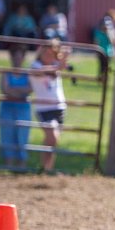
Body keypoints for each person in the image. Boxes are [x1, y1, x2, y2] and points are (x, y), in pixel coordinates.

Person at [29, 39, 70, 173]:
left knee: (52, 141)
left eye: (51, 53)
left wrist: (65, 55)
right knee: (52, 136)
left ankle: (47, 169)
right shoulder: (35, 65)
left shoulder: (55, 65)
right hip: (44, 108)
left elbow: (63, 65)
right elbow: (38, 72)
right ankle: (45, 168)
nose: (48, 55)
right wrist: (57, 66)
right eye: (45, 52)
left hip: (59, 107)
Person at [0, 47, 32, 168]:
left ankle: (21, 166)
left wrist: (13, 91)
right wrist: (20, 93)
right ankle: (8, 166)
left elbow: (29, 89)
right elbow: (4, 89)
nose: (17, 59)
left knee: (22, 136)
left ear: (23, 58)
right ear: (11, 57)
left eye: (20, 56)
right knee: (7, 136)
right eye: (15, 56)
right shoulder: (6, 72)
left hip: (22, 109)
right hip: (7, 108)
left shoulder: (27, 73)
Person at [2, 3, 37, 67]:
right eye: (20, 9)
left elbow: (32, 27)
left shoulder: (29, 18)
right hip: (16, 34)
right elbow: (9, 27)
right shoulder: (13, 17)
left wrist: (23, 28)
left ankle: (31, 48)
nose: (22, 11)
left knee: (31, 34)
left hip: (26, 34)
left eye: (23, 9)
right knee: (17, 33)